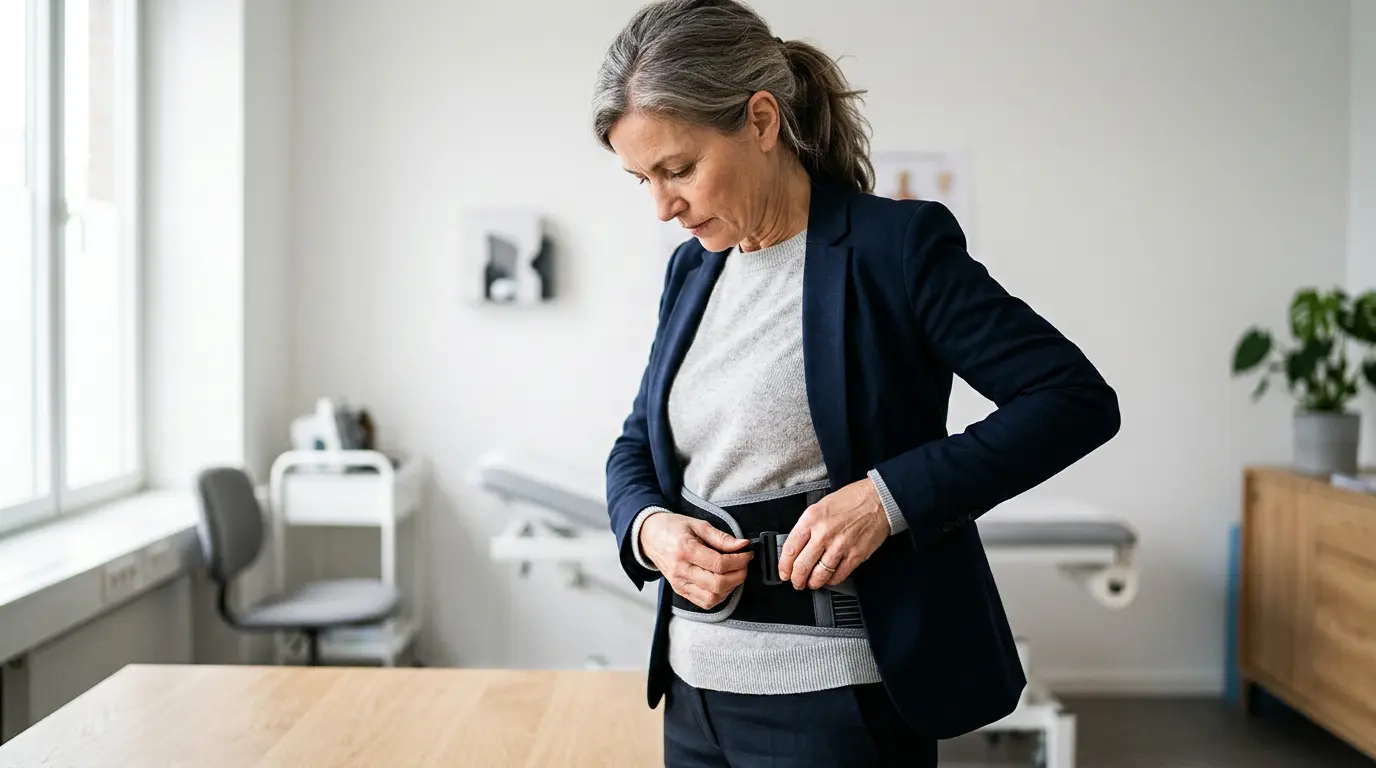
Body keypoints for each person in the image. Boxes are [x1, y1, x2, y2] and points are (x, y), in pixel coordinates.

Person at [595, 1, 1120, 765]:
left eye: (678, 169)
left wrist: (887, 498)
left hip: (836, 710)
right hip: (692, 697)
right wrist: (649, 529)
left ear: (763, 120)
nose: (661, 207)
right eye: (641, 178)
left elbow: (1072, 400)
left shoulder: (894, 249)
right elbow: (637, 443)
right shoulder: (693, 270)